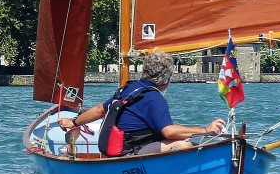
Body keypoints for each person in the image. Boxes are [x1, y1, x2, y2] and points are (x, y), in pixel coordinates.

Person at [58, 53, 224, 154]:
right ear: (166, 79)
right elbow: (168, 131)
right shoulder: (154, 98)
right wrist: (205, 130)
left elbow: (100, 110)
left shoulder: (129, 89)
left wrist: (73, 122)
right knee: (185, 145)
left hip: (115, 151)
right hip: (131, 154)